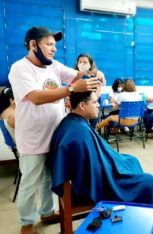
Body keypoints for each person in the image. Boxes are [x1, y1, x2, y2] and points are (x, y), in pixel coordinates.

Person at [8, 26, 100, 234]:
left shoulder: (54, 66)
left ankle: (47, 211)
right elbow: (36, 97)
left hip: (55, 137)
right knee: (30, 183)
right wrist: (70, 89)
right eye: (49, 44)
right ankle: (26, 224)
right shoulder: (19, 68)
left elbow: (76, 75)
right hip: (32, 138)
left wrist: (93, 73)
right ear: (33, 45)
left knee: (48, 178)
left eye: (55, 45)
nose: (54, 49)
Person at [48, 91, 153, 224]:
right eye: (94, 102)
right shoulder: (79, 133)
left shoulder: (74, 122)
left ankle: (136, 217)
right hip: (94, 185)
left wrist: (113, 160)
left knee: (132, 160)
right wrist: (114, 166)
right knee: (149, 181)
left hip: (94, 170)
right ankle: (141, 223)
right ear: (82, 106)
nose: (98, 105)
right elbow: (92, 171)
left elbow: (93, 159)